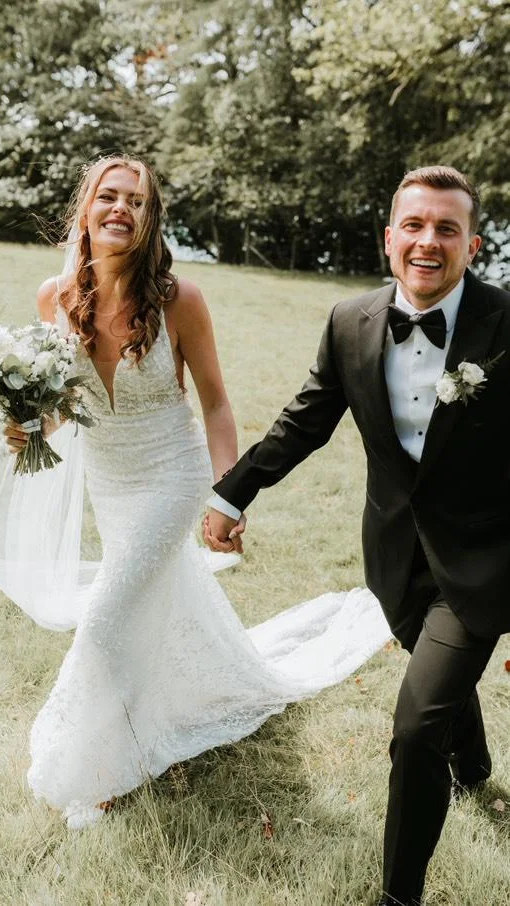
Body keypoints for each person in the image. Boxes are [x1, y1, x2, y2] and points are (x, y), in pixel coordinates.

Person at [0, 153, 390, 833]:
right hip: (110, 481)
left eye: (137, 200)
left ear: (150, 219)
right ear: (86, 209)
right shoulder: (53, 298)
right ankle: (193, 690)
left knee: (106, 617)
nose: (121, 209)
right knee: (154, 599)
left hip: (171, 475)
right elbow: (65, 407)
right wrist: (27, 426)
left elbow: (216, 403)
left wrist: (228, 495)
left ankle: (94, 771)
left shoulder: (181, 300)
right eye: (109, 196)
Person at [205, 165, 510, 906]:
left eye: (447, 229)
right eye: (415, 225)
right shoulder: (350, 320)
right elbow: (305, 420)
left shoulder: (506, 321)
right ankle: (474, 769)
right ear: (389, 237)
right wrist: (231, 493)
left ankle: (399, 896)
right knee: (438, 685)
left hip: (485, 561)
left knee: (415, 729)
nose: (428, 241)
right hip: (395, 557)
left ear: (472, 246)